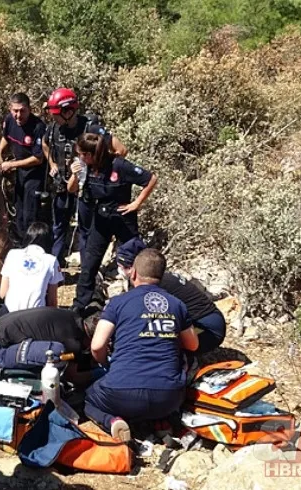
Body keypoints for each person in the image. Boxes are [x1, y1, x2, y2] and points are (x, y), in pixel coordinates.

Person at [85, 249, 198, 442]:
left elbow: (97, 346)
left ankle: (112, 421)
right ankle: (161, 421)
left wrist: (106, 365)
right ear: (161, 276)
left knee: (89, 399)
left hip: (120, 393)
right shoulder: (177, 304)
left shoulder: (118, 302)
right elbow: (193, 345)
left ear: (134, 273)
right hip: (169, 398)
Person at [69, 133, 157, 315]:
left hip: (123, 217)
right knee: (90, 263)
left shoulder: (119, 165)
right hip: (101, 219)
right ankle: (79, 305)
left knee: (134, 261)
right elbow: (71, 189)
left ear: (93, 154)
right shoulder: (86, 167)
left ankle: (138, 303)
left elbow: (150, 179)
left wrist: (137, 203)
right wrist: (75, 174)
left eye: (83, 154)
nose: (80, 158)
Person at [42, 88, 128, 267]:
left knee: (85, 230)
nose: (53, 118)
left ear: (68, 111)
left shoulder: (92, 128)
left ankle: (88, 269)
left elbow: (121, 150)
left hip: (87, 189)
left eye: (56, 114)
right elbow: (45, 144)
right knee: (58, 228)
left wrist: (96, 168)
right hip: (63, 185)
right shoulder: (53, 130)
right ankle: (54, 269)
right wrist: (53, 165)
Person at [117, 238, 226, 354]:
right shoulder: (157, 276)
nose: (121, 271)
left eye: (125, 267)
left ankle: (186, 364)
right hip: (207, 322)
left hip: (208, 329)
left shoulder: (154, 283)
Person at [0, 93, 48, 238]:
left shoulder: (38, 127)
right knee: (18, 206)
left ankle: (31, 241)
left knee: (30, 211)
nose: (18, 115)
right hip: (20, 172)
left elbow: (38, 158)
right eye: (15, 111)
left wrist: (12, 164)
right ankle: (19, 239)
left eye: (22, 111)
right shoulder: (10, 120)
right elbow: (6, 137)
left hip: (35, 174)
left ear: (29, 109)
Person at [0, 222, 63, 312]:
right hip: (35, 316)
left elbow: (3, 292)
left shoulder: (12, 254)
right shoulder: (51, 260)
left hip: (9, 314)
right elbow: (52, 301)